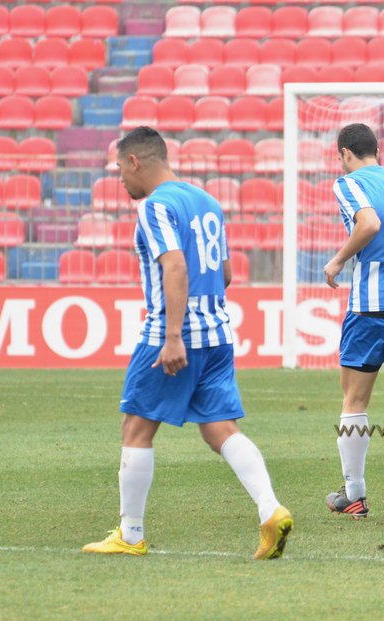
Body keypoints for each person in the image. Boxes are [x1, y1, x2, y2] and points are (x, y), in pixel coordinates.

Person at [83, 126, 292, 560]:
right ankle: (270, 509)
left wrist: (175, 335)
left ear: (136, 161)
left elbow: (175, 267)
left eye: (120, 168)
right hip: (218, 333)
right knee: (220, 429)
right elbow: (226, 273)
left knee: (136, 427)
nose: (119, 177)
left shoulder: (155, 206)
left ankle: (131, 535)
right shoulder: (207, 201)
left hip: (172, 334)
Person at [322, 123, 384, 519]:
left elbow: (368, 223)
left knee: (355, 400)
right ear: (377, 150)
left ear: (346, 154)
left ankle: (354, 494)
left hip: (369, 305)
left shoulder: (349, 182)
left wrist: (338, 260)